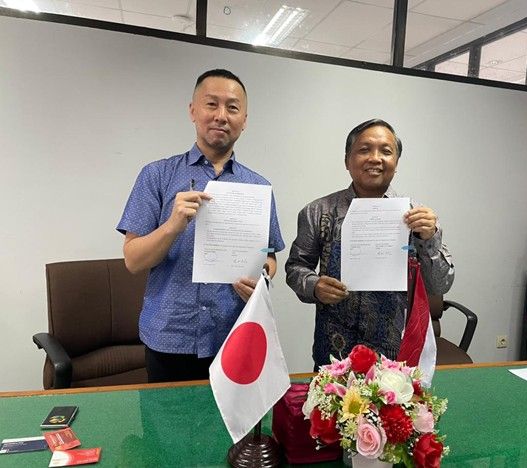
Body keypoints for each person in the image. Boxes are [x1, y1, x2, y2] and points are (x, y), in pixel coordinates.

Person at [117, 69, 284, 382]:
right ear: (193, 111)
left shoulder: (258, 187)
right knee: (166, 431)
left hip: (235, 334)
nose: (221, 115)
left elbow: (271, 256)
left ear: (244, 120)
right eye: (211, 104)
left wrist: (262, 276)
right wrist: (172, 225)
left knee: (230, 431)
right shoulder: (156, 176)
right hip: (169, 337)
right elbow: (132, 260)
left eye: (232, 108)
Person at [285, 119, 454, 368]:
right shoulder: (317, 212)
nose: (375, 158)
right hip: (334, 351)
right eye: (364, 150)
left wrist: (429, 239)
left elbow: (440, 283)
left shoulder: (417, 217)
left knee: (393, 407)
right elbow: (295, 268)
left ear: (396, 163)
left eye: (386, 151)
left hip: (395, 354)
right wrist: (314, 286)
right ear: (347, 161)